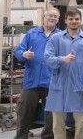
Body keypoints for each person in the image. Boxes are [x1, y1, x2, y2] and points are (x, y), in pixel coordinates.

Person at [44, 8, 83, 139]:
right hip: (59, 85)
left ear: (80, 20)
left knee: (81, 122)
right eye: (71, 19)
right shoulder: (55, 39)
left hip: (80, 85)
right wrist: (62, 59)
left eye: (77, 19)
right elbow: (47, 58)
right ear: (65, 20)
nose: (74, 21)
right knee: (57, 123)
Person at [14, 8, 61, 139]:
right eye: (50, 15)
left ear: (58, 19)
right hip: (31, 81)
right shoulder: (31, 33)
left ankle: (47, 137)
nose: (52, 18)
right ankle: (21, 136)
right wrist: (24, 54)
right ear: (44, 17)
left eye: (55, 16)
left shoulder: (61, 36)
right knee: (24, 112)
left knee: (51, 115)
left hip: (52, 81)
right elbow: (18, 52)